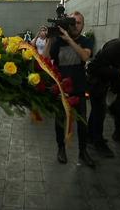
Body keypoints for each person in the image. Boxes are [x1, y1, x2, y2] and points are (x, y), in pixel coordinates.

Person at [45, 11, 95, 168]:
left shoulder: (86, 41)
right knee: (60, 120)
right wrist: (50, 40)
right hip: (61, 88)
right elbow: (45, 59)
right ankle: (61, 149)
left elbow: (85, 57)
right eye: (73, 22)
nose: (75, 25)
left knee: (82, 123)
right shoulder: (58, 42)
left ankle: (83, 151)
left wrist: (70, 40)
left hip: (79, 88)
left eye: (78, 23)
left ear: (83, 26)